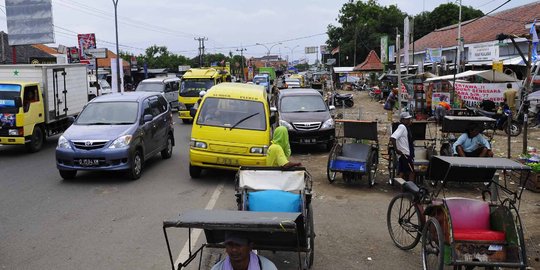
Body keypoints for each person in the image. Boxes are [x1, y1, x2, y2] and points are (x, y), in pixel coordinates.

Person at [211, 232, 277, 270]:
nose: (234, 249)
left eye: (238, 245)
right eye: (230, 244)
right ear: (226, 247)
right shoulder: (217, 268)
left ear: (250, 246)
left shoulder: (268, 267)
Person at [390, 112, 415, 181]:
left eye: (409, 119)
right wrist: (396, 150)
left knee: (402, 172)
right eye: (407, 119)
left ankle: (402, 187)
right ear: (402, 120)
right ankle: (411, 188)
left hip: (404, 154)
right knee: (411, 172)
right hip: (405, 154)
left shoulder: (406, 128)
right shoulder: (402, 127)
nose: (409, 121)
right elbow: (393, 138)